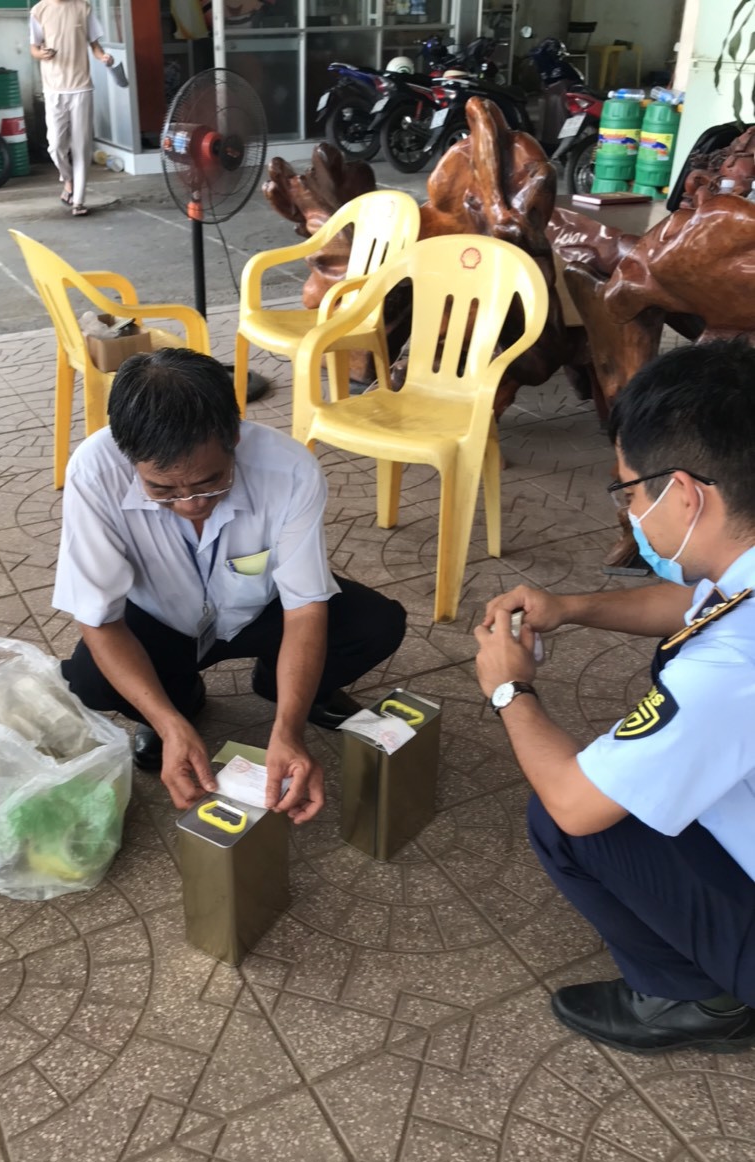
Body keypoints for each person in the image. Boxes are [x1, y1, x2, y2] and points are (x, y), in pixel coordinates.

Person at [473, 339, 755, 1055]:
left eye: (630, 492)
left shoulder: (734, 665)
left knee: (568, 820)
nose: (630, 511)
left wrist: (510, 687)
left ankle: (697, 999)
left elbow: (574, 799)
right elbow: (702, 599)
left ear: (686, 493)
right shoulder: (741, 570)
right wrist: (569, 606)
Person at [54, 347, 407, 824]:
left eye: (209, 483)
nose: (189, 504)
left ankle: (279, 685)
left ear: (234, 437)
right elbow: (99, 618)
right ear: (127, 452)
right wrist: (168, 723)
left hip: (260, 611)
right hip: (160, 619)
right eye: (162, 490)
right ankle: (180, 704)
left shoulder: (290, 471)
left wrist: (289, 729)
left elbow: (305, 608)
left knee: (375, 623)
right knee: (91, 681)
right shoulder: (94, 472)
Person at [29, 0, 114, 216]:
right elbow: (34, 48)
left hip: (81, 87)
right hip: (53, 88)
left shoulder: (83, 7)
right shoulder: (39, 10)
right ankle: (68, 180)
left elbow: (94, 44)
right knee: (56, 145)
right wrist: (42, 54)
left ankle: (79, 200)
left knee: (81, 146)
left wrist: (103, 57)